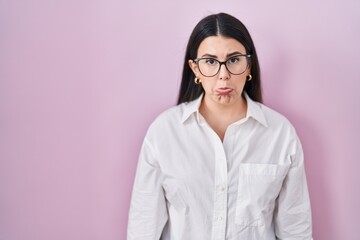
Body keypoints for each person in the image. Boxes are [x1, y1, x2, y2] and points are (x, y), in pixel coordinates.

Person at [127, 12, 312, 240]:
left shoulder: (280, 134)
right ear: (195, 69)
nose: (223, 75)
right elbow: (143, 230)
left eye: (234, 60)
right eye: (210, 61)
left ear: (249, 65)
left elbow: (296, 232)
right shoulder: (164, 133)